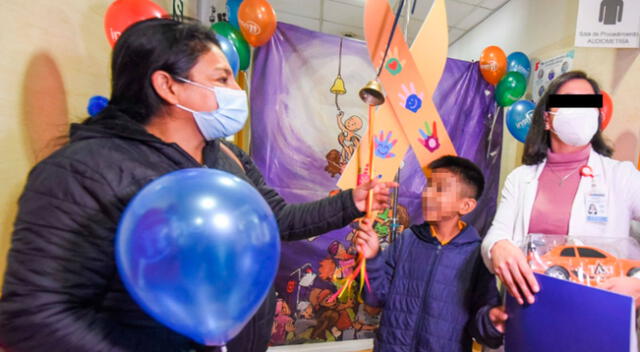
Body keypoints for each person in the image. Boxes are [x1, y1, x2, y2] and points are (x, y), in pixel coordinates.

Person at [0, 18, 396, 352]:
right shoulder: (85, 171)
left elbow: (277, 220)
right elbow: (35, 316)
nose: (235, 93)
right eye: (221, 78)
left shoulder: (227, 157)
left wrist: (350, 202)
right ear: (168, 86)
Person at [482, 71, 640, 306]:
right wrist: (498, 246)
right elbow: (496, 235)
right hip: (531, 307)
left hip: (601, 311)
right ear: (547, 118)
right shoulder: (520, 179)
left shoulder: (622, 176)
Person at [356, 156, 506, 352]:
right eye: (428, 186)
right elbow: (374, 299)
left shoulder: (477, 255)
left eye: (440, 189)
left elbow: (483, 328)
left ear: (466, 206)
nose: (428, 194)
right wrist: (372, 257)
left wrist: (492, 322)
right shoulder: (407, 240)